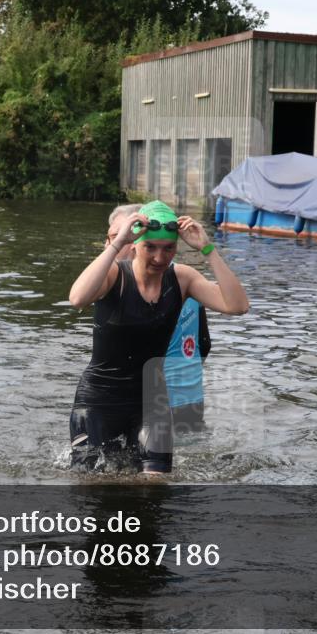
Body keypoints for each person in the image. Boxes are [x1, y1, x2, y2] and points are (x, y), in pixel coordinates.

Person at [68, 200, 247, 474]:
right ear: (136, 245)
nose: (160, 258)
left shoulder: (182, 278)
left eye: (168, 248)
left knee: (155, 487)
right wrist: (117, 245)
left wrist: (208, 249)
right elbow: (78, 298)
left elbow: (237, 306)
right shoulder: (115, 275)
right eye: (150, 247)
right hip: (100, 401)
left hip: (153, 400)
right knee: (94, 485)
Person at [104, 205, 212, 434]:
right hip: (188, 399)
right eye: (112, 237)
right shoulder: (187, 280)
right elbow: (204, 344)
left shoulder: (156, 286)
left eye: (119, 236)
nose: (111, 245)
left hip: (154, 405)